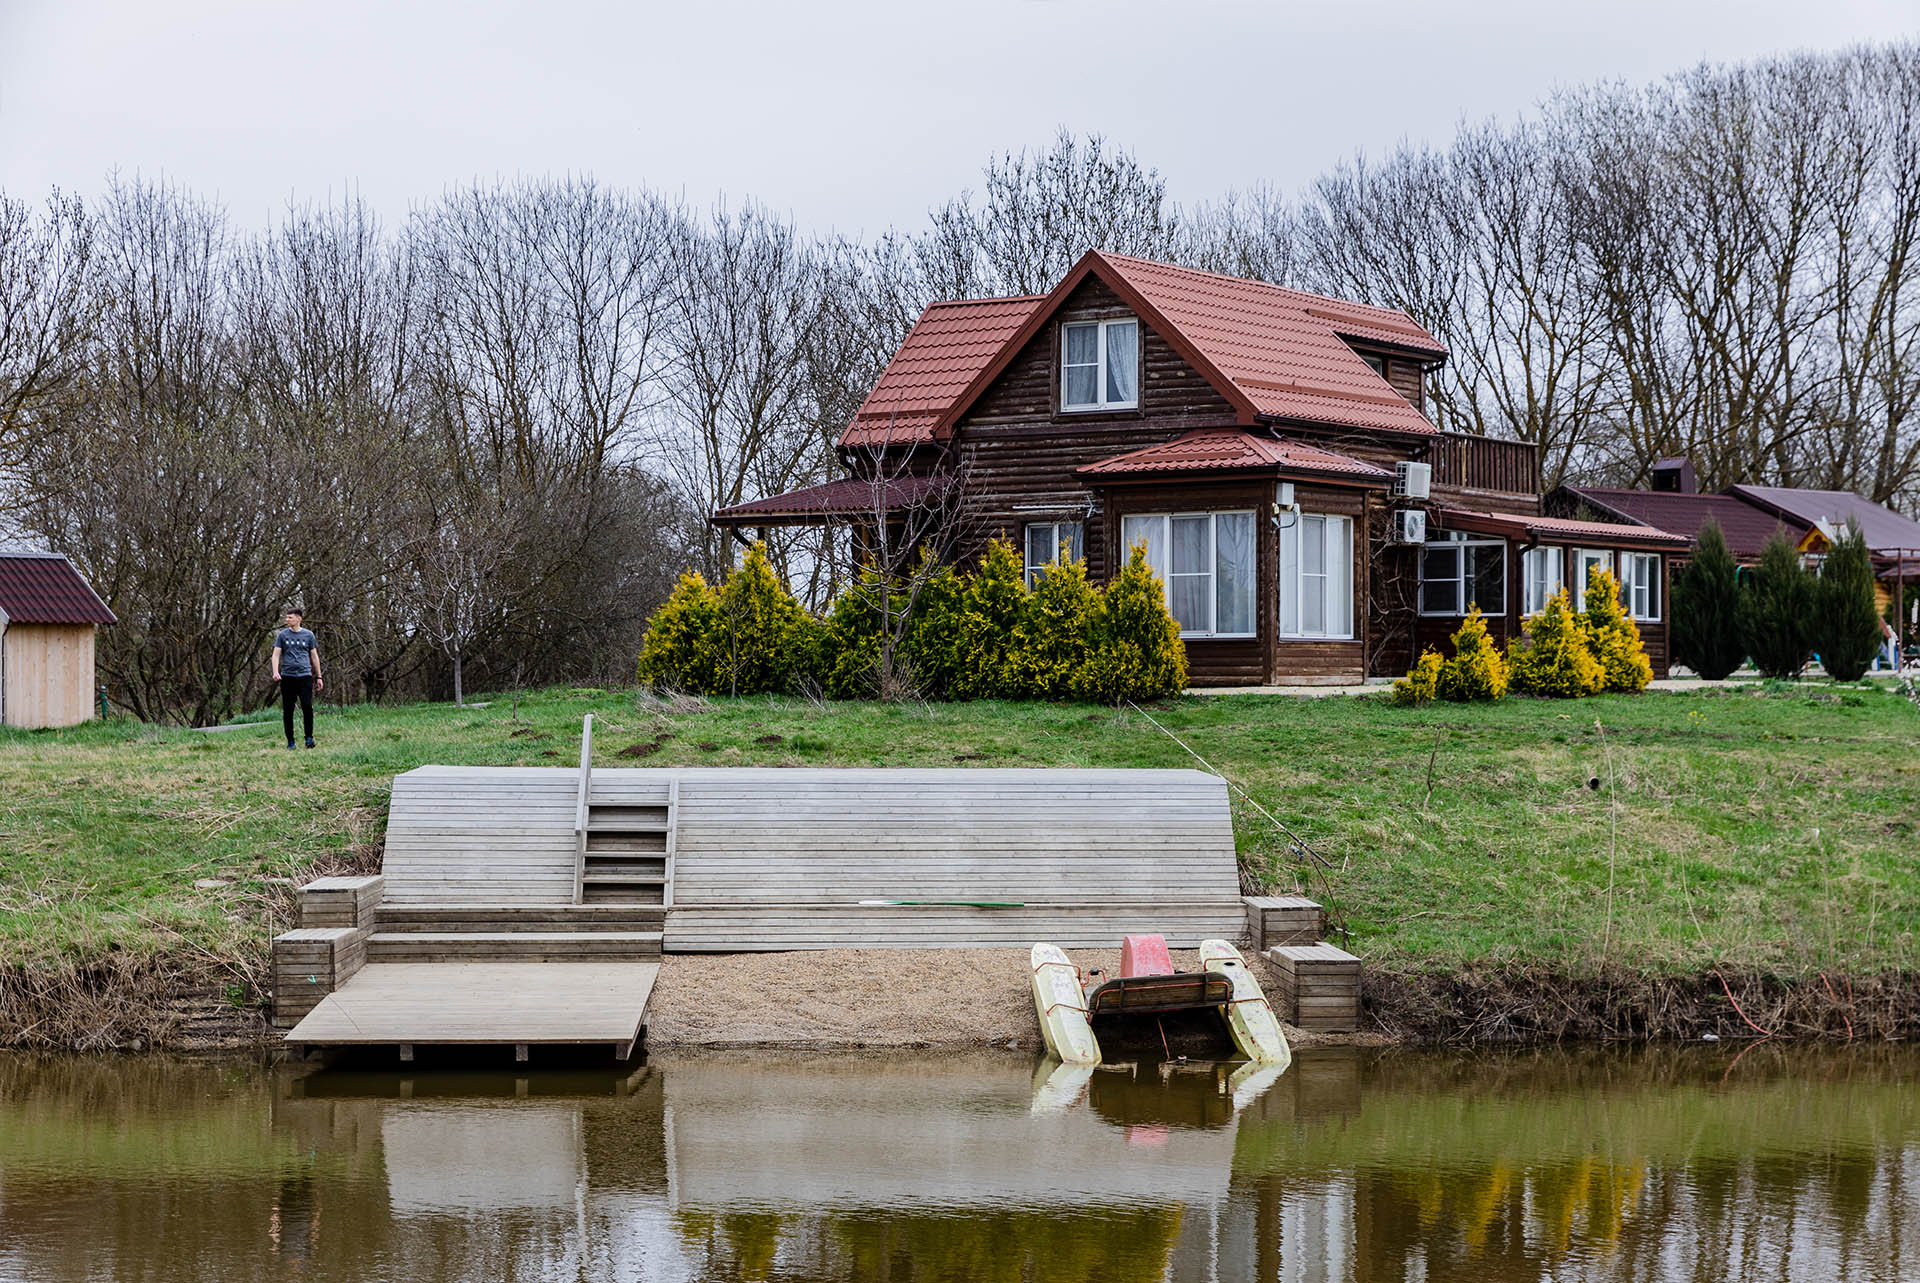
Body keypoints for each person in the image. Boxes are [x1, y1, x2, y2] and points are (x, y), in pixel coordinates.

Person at [271, 609, 323, 749]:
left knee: (307, 706)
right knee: (288, 710)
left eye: (290, 617)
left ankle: (309, 738)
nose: (287, 620)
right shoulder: (282, 635)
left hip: (305, 676)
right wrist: (276, 672)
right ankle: (291, 741)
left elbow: (314, 656)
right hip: (287, 677)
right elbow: (276, 655)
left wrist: (319, 676)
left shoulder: (308, 635)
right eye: (286, 617)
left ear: (299, 618)